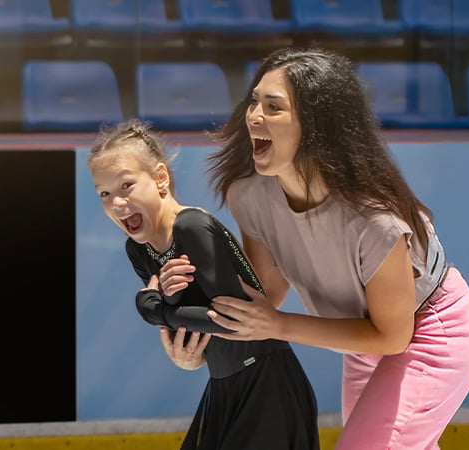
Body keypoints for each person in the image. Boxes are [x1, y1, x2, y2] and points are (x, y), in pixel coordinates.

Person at [159, 47, 469, 450]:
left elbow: (393, 337)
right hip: (364, 338)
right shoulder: (249, 195)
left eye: (274, 107)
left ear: (316, 126)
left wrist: (279, 325)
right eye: (255, 101)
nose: (254, 116)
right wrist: (192, 329)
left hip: (429, 333)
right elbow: (264, 297)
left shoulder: (375, 220)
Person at [87, 119, 320, 450]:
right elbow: (184, 330)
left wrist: (153, 308)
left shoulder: (192, 227)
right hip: (224, 385)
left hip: (267, 383)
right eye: (105, 193)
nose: (116, 203)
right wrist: (168, 320)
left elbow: (231, 321)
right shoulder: (138, 249)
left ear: (160, 179)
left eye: (126, 186)